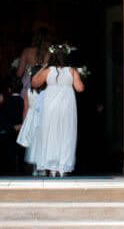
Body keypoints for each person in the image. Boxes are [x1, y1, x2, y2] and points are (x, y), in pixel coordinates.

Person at [30, 43, 84, 177]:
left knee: (50, 132)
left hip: (50, 106)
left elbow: (34, 83)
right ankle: (62, 166)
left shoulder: (48, 71)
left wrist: (43, 68)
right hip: (67, 106)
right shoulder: (71, 71)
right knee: (66, 133)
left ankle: (51, 167)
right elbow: (80, 88)